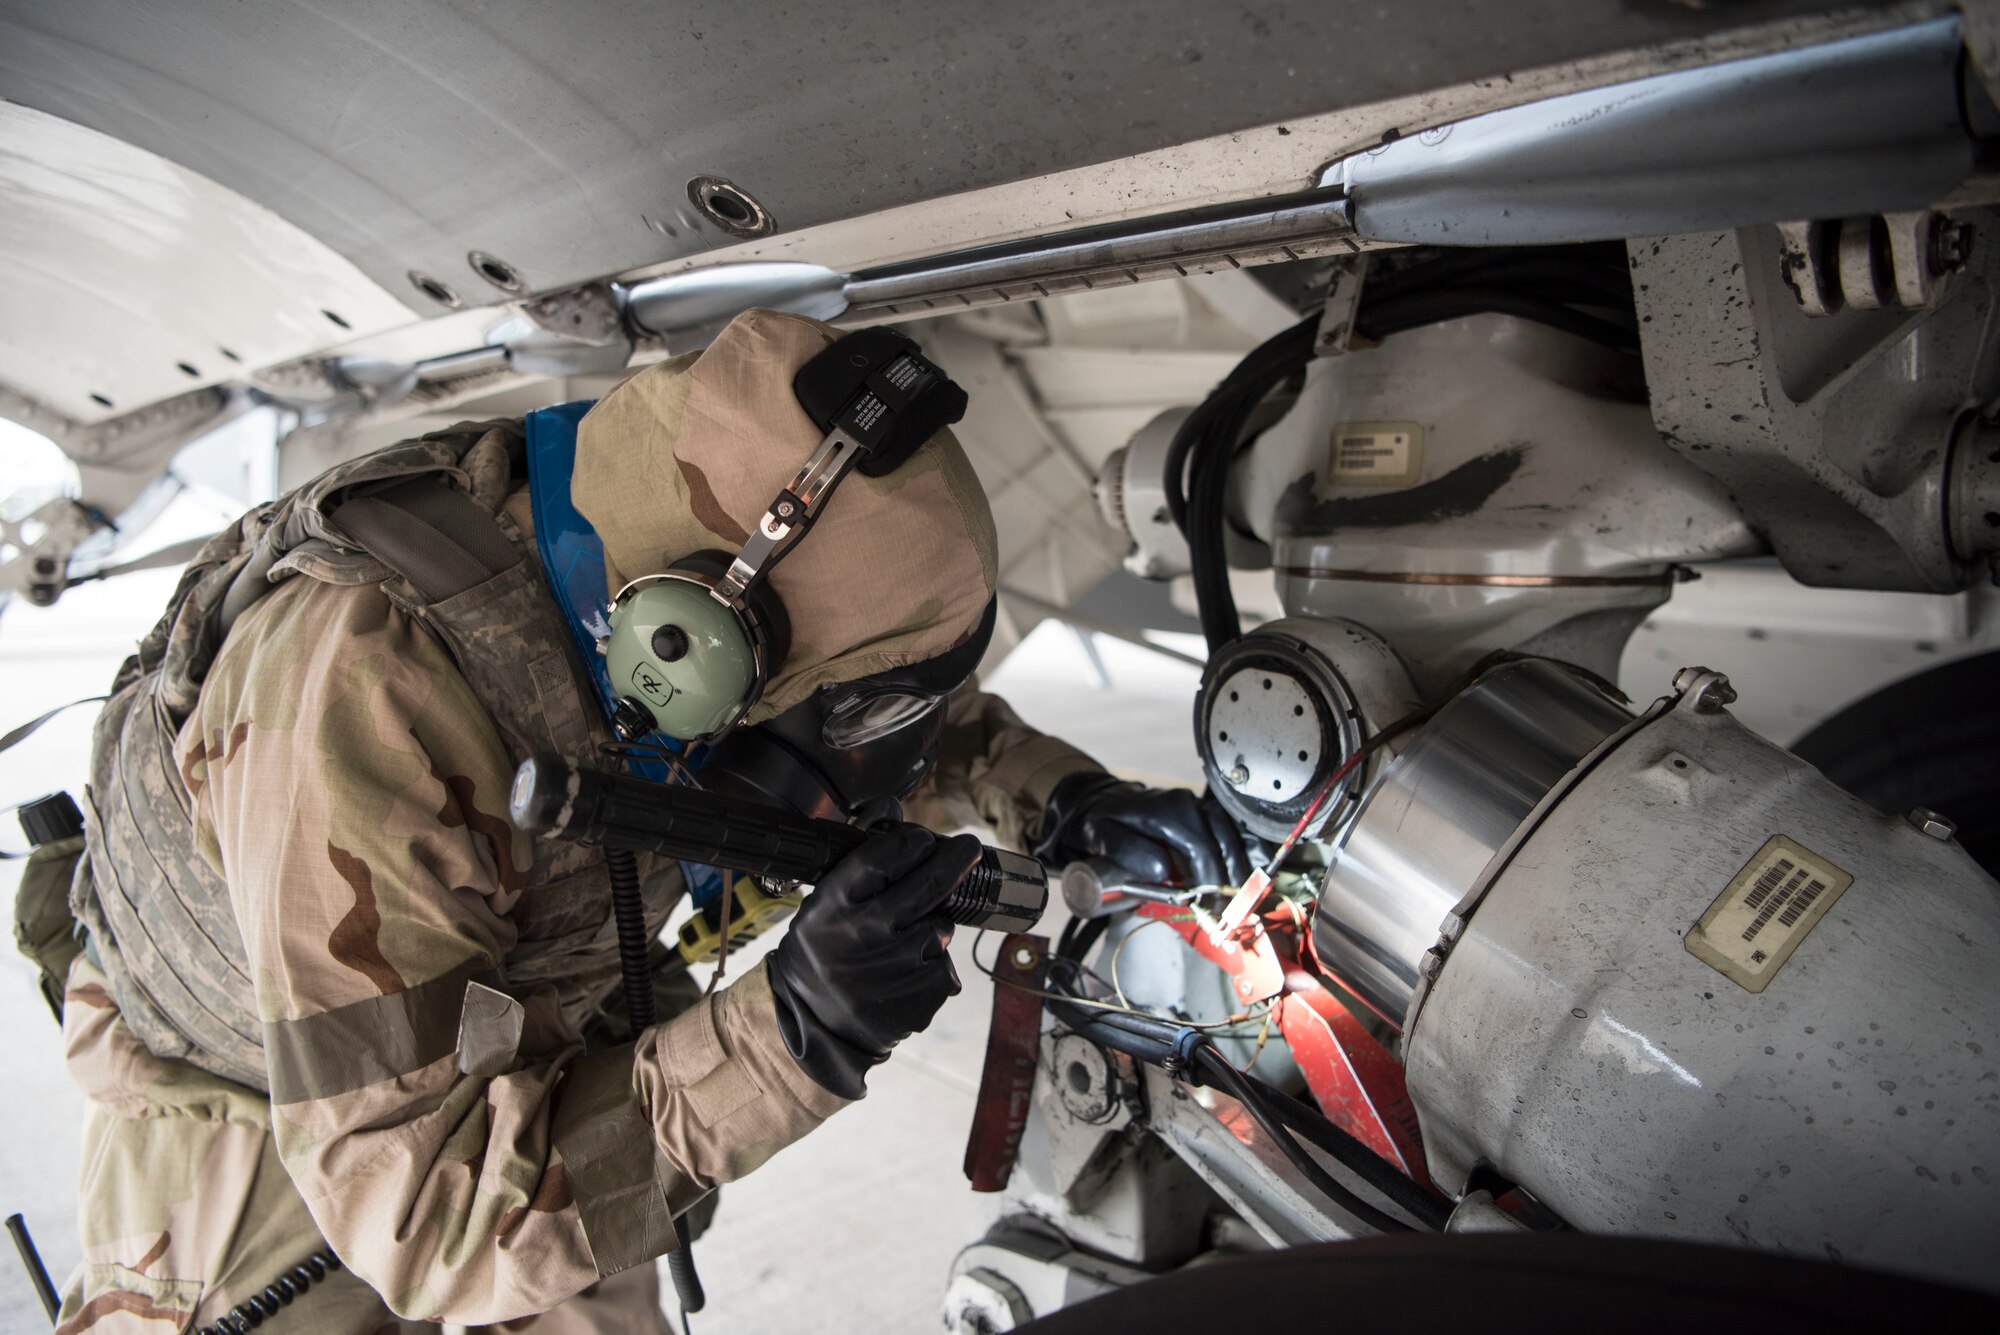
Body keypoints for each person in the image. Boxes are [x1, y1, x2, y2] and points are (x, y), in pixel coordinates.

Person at [41, 310, 1248, 1333]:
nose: (854, 754)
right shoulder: (365, 705)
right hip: (271, 1140)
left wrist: (1064, 800)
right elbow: (419, 1217)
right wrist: (794, 1035)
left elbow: (859, 701)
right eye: (842, 705)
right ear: (693, 651)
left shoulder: (636, 567)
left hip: (515, 1062)